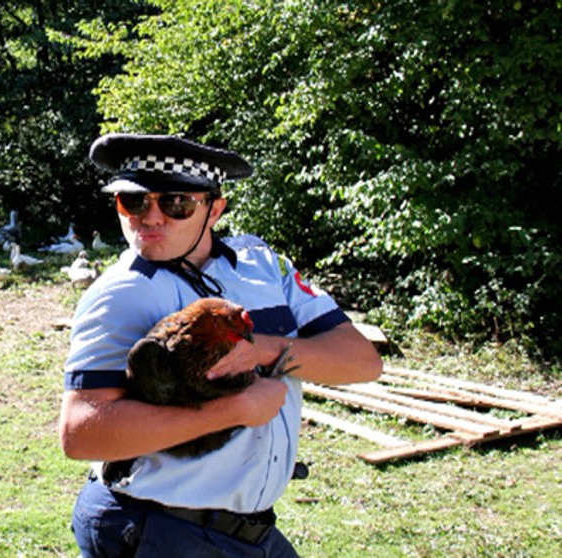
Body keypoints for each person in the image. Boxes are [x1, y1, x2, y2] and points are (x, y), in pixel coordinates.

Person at [58, 133, 383, 557]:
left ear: (215, 209)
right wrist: (234, 410)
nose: (150, 218)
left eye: (176, 204)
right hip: (162, 528)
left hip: (251, 532)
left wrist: (263, 350)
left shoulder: (262, 264)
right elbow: (80, 433)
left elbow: (362, 362)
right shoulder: (120, 293)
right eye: (133, 202)